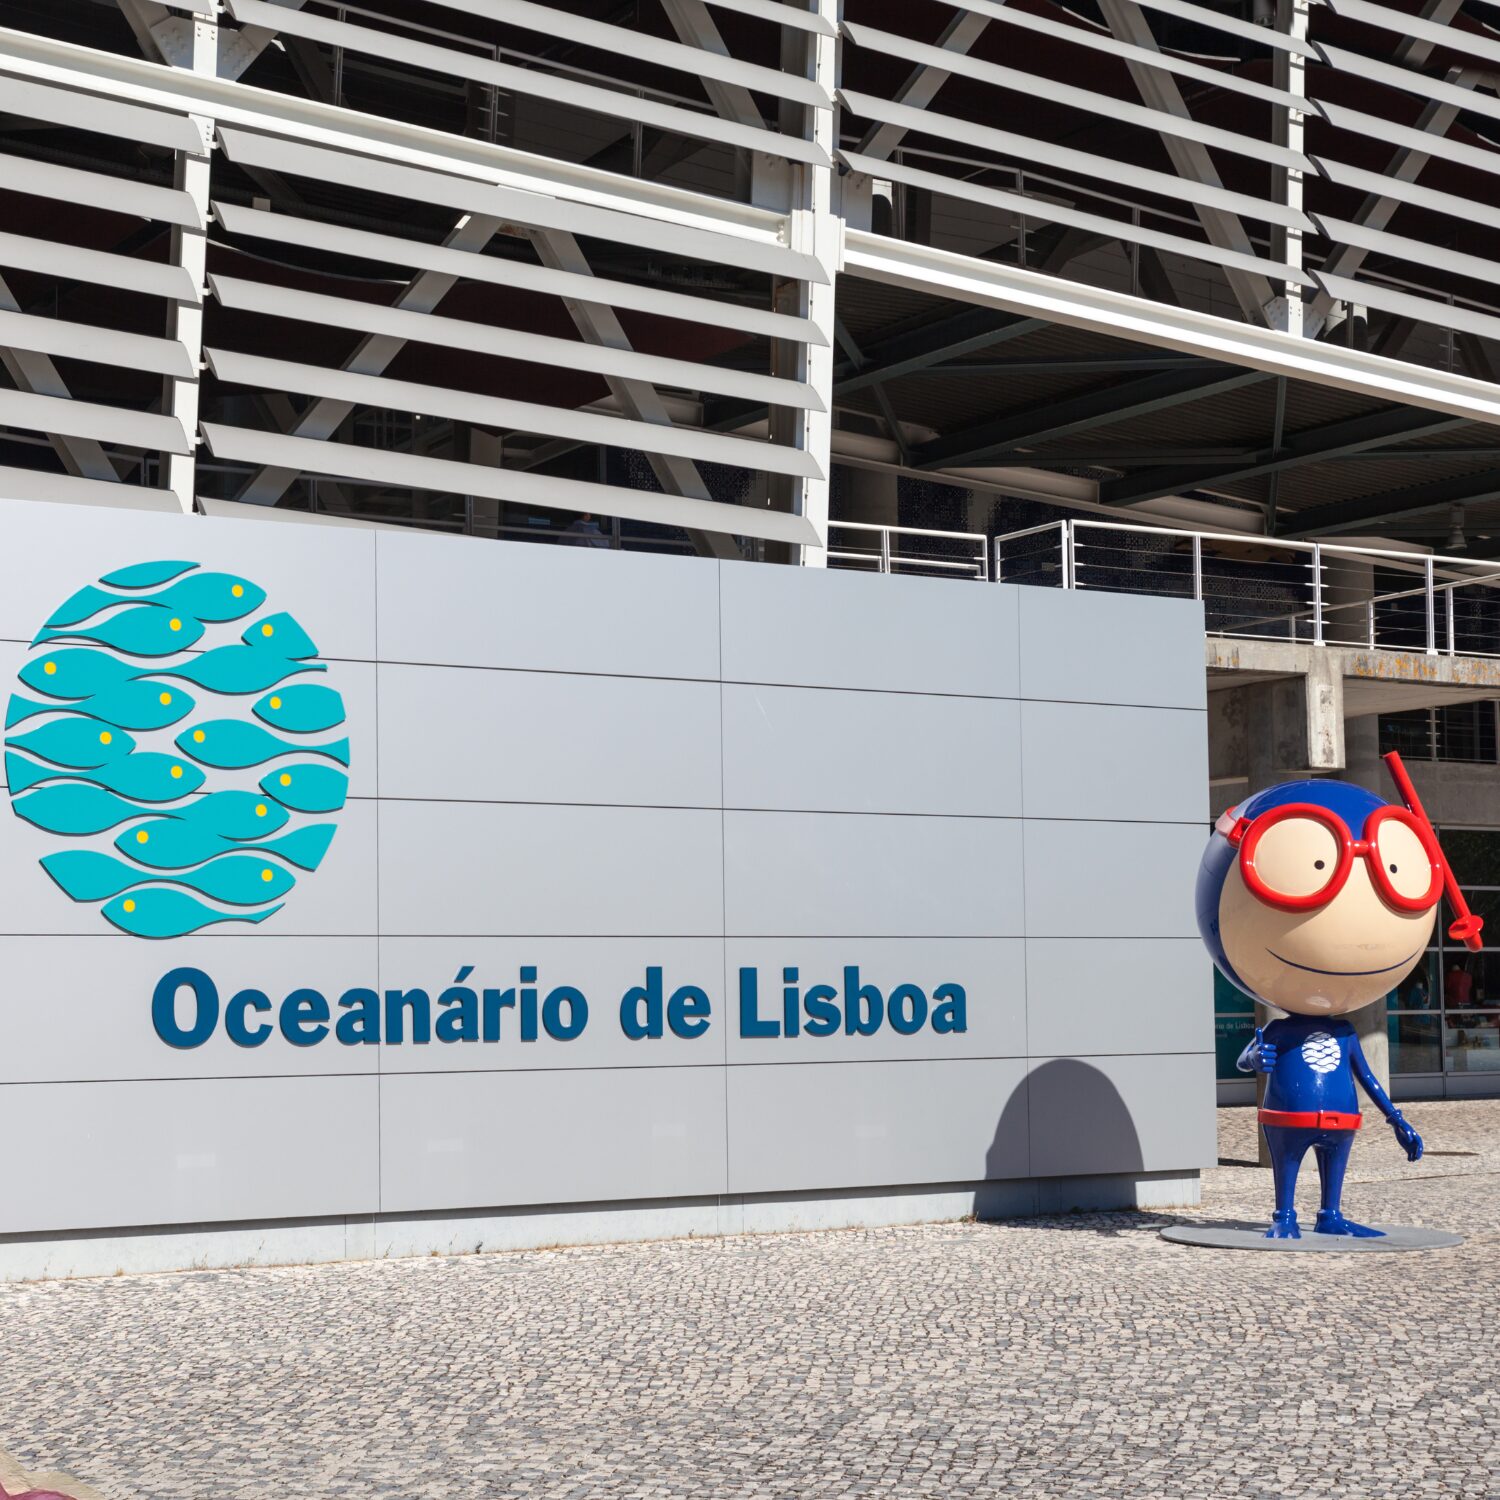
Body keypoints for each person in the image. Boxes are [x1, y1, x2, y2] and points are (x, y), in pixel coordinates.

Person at [1196, 752, 1480, 1238]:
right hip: (1287, 1115)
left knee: (1335, 1167)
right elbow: (1250, 1058)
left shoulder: (1346, 1032)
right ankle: (1284, 1216)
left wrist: (1396, 1119)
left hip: (1340, 1115)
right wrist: (1255, 1056)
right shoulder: (1281, 1031)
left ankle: (1330, 1213)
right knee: (1287, 1164)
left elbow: (1366, 1077)